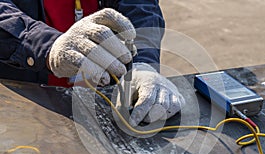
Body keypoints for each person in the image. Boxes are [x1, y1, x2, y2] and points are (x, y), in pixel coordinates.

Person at [0, 0, 185, 127]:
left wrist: (143, 62)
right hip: (24, 101)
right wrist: (46, 47)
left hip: (100, 101)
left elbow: (139, 4)